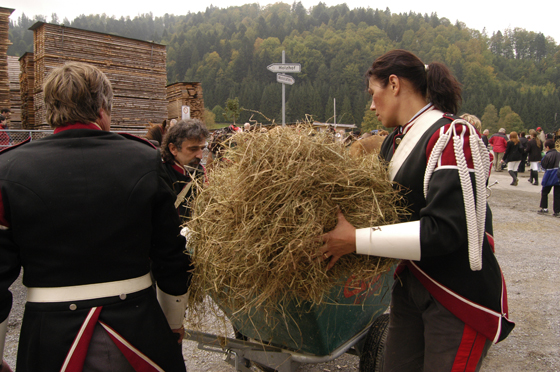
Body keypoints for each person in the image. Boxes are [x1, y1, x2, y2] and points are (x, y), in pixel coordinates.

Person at [319, 49, 513, 372]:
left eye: (373, 93)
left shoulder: (452, 136)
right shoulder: (392, 142)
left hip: (457, 296)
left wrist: (356, 240)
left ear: (394, 84)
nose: (370, 105)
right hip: (411, 285)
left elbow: (444, 231)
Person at [0, 62, 191, 371]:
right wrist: (173, 323)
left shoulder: (7, 169)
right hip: (140, 329)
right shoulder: (146, 160)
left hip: (50, 339)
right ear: (103, 108)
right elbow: (171, 256)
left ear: (50, 109)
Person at [161, 119, 209, 222]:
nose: (200, 156)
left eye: (202, 148)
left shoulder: (200, 172)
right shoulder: (160, 174)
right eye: (193, 149)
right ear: (173, 149)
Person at [537, 139, 560, 216]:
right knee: (557, 194)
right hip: (558, 175)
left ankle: (544, 208)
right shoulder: (559, 154)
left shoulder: (548, 155)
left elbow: (543, 165)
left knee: (545, 192)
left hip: (550, 175)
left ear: (547, 147)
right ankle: (557, 211)